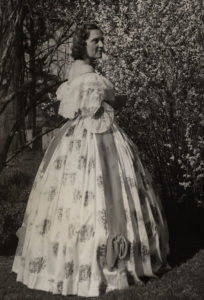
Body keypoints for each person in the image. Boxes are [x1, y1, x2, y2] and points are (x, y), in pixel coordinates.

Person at [12, 23, 170, 297]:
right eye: (95, 41)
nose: (101, 45)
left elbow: (78, 107)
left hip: (73, 138)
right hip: (96, 140)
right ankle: (108, 262)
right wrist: (119, 99)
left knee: (67, 199)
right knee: (104, 195)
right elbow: (99, 104)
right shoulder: (90, 76)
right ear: (81, 43)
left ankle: (62, 262)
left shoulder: (73, 71)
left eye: (102, 40)